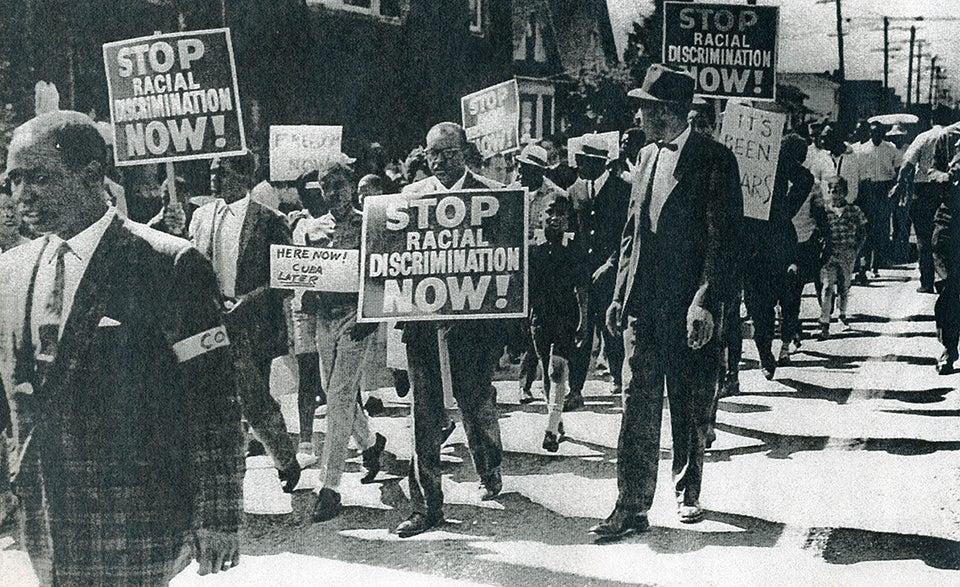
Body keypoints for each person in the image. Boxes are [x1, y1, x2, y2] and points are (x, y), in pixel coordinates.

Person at [0, 111, 242, 583]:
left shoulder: (168, 263)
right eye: (13, 180)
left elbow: (214, 400)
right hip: (45, 516)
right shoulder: (11, 271)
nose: (21, 195)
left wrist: (218, 515)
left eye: (39, 179)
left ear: (91, 176)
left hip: (139, 513)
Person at [592, 65, 742, 539]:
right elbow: (631, 232)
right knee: (637, 401)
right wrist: (620, 294)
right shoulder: (645, 156)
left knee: (687, 401)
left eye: (645, 107)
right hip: (644, 304)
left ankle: (687, 488)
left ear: (669, 112)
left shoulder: (715, 160)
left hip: (688, 305)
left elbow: (724, 240)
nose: (638, 114)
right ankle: (631, 506)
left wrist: (705, 300)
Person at [396, 122, 505, 538]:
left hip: (471, 329)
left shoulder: (491, 195)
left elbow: (504, 263)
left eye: (448, 152)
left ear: (466, 152)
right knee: (423, 416)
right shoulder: (410, 199)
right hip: (423, 328)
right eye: (433, 154)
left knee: (476, 405)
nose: (440, 161)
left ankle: (489, 466)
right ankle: (426, 506)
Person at [189, 154, 301, 493]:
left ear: (243, 176)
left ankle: (284, 458)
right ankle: (229, 480)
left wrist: (246, 302)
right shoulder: (200, 217)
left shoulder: (270, 221)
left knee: (253, 402)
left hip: (249, 327)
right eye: (210, 171)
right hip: (208, 324)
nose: (212, 178)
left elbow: (284, 281)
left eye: (220, 172)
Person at [301, 160, 387, 522]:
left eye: (338, 185)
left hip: (354, 317)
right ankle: (370, 443)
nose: (332, 193)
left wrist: (372, 316)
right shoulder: (313, 228)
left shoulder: (369, 223)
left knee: (337, 395)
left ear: (351, 187)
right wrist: (305, 292)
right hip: (324, 317)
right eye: (325, 187)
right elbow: (303, 270)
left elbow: (381, 271)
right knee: (332, 388)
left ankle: (330, 486)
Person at [741, 134, 814, 376]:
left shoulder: (779, 165)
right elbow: (805, 178)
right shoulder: (766, 162)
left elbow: (805, 178)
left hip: (762, 243)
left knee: (763, 305)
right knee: (764, 305)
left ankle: (766, 353)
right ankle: (766, 354)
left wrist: (785, 209)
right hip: (767, 242)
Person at [567, 136, 631, 407]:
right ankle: (576, 389)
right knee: (581, 333)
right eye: (578, 161)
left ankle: (618, 378)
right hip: (583, 277)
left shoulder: (621, 190)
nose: (579, 166)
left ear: (599, 163)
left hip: (612, 275)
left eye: (585, 162)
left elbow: (627, 234)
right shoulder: (573, 191)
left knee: (612, 328)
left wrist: (611, 264)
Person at [528, 195, 589, 451]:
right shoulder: (532, 247)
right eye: (550, 212)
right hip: (539, 316)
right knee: (545, 367)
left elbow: (582, 286)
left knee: (557, 369)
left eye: (561, 214)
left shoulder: (575, 246)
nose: (555, 218)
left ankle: (551, 430)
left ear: (568, 220)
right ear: (541, 216)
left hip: (565, 314)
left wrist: (584, 320)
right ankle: (556, 416)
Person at [508, 144, 568, 404]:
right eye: (519, 166)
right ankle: (528, 381)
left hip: (546, 271)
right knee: (525, 327)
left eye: (525, 168)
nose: (519, 172)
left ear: (538, 171)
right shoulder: (510, 193)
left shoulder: (556, 195)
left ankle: (532, 384)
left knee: (539, 326)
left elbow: (563, 235)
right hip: (517, 267)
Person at [895, 108, 960, 293]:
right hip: (949, 191)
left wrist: (900, 185)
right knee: (946, 237)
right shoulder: (952, 136)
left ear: (932, 119)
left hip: (924, 191)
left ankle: (927, 282)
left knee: (924, 238)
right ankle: (947, 279)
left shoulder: (924, 137)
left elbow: (907, 164)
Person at [815, 176, 867, 340]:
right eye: (831, 190)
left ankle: (842, 314)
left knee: (844, 286)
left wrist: (857, 250)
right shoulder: (824, 211)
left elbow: (863, 231)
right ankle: (824, 321)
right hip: (830, 254)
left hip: (847, 253)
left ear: (845, 192)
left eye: (838, 190)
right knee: (828, 286)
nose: (834, 193)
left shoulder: (853, 210)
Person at [929, 124, 960, 373]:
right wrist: (944, 176)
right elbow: (932, 171)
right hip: (950, 216)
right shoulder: (947, 137)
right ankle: (949, 348)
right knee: (949, 285)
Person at [854, 120, 901, 279]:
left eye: (878, 132)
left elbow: (898, 170)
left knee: (881, 229)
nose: (875, 134)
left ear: (883, 133)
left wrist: (894, 188)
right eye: (872, 132)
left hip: (884, 189)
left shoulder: (891, 148)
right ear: (869, 133)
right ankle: (864, 265)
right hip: (867, 190)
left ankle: (876, 265)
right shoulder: (861, 149)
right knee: (866, 228)